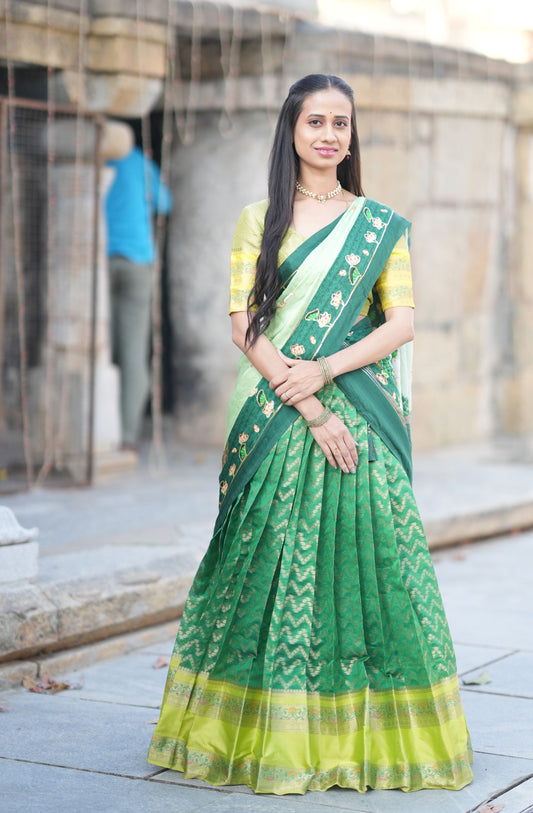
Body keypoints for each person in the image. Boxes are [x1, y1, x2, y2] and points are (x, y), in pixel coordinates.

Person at [147, 74, 473, 795]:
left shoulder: (379, 223)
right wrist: (303, 398)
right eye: (316, 122)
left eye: (341, 124)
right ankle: (254, 732)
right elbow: (243, 324)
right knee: (263, 555)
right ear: (290, 129)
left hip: (354, 401)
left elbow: (401, 322)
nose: (329, 135)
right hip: (276, 412)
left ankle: (371, 738)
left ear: (352, 136)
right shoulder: (256, 219)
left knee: (378, 560)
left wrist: (323, 370)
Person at [105, 145, 172, 451]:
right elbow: (165, 203)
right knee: (133, 353)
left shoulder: (92, 155)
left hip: (98, 261)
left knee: (102, 349)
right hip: (137, 260)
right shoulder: (138, 161)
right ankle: (127, 436)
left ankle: (96, 431)